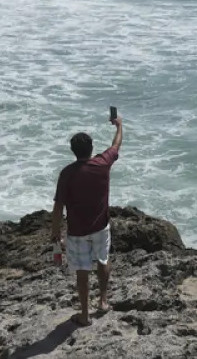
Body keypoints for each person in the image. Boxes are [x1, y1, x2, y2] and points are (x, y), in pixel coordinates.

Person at [51, 113, 123, 326]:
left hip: (77, 231)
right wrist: (119, 125)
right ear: (91, 148)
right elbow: (116, 145)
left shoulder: (67, 173)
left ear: (73, 150)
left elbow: (58, 207)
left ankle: (84, 315)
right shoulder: (102, 163)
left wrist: (55, 232)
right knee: (103, 260)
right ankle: (102, 301)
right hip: (101, 227)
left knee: (82, 271)